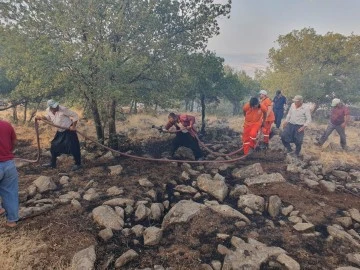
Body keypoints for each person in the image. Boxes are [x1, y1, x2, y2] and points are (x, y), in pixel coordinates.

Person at [36, 99, 82, 171]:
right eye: (54, 107)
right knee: (54, 145)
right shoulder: (48, 110)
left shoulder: (63, 109)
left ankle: (78, 164)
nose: (56, 107)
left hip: (69, 130)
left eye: (57, 105)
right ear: (50, 108)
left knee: (74, 147)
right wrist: (42, 118)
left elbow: (75, 115)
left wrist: (73, 126)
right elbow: (49, 117)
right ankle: (53, 163)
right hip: (60, 131)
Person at [0, 120, 19, 227]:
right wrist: (8, 151)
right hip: (9, 164)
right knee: (10, 193)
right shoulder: (6, 125)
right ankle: (12, 221)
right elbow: (15, 142)